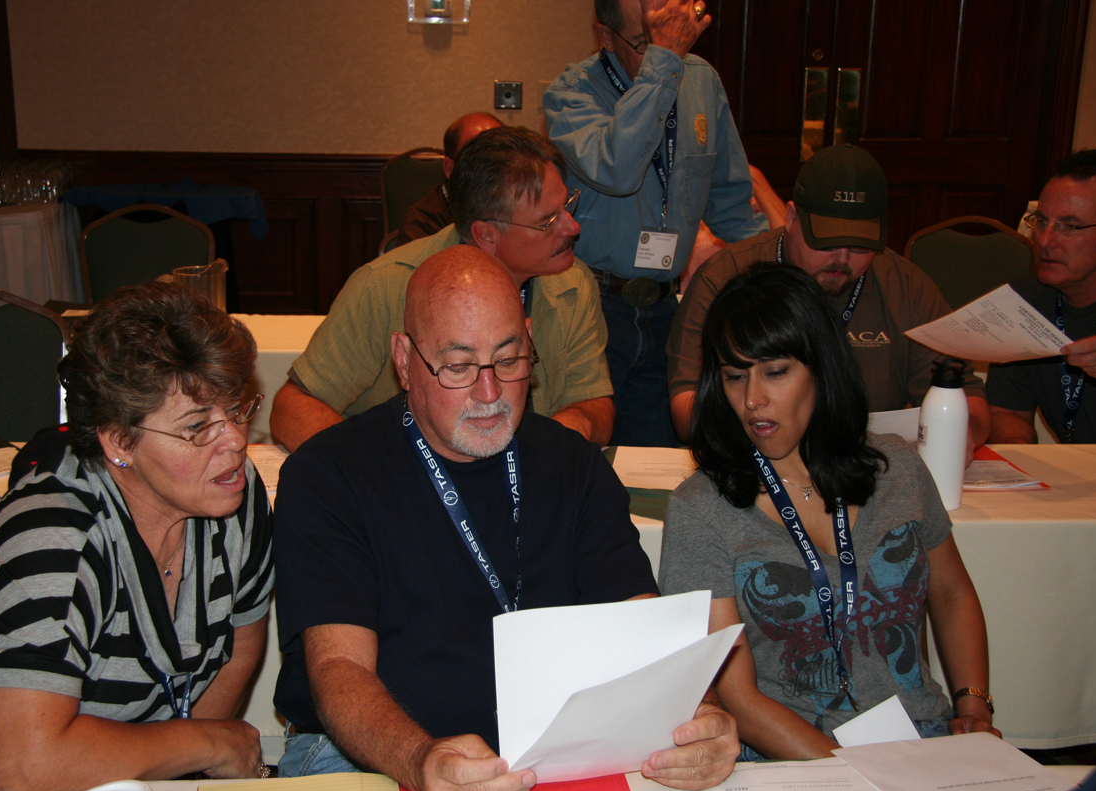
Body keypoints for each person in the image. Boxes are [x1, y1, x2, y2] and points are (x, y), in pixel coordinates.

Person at [272, 246, 738, 791]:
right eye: (459, 366)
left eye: (509, 359)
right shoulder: (330, 473)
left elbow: (641, 626)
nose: (489, 393)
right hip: (375, 755)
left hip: (561, 752)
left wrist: (699, 715)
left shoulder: (573, 465)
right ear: (404, 359)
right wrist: (420, 760)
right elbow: (339, 670)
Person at [0, 282, 274, 791]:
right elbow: (23, 766)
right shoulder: (53, 541)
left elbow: (242, 637)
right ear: (119, 441)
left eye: (236, 409)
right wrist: (206, 744)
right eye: (198, 427)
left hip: (113, 780)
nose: (236, 440)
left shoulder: (233, 493)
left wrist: (191, 766)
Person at [659, 265, 999, 759]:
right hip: (791, 759)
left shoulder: (898, 468)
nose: (753, 399)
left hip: (918, 737)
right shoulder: (701, 509)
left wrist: (973, 707)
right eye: (735, 377)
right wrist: (857, 779)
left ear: (822, 366)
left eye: (776, 372)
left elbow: (951, 593)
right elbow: (740, 700)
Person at [269, 126, 615, 453]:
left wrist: (550, 450)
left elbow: (593, 403)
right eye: (548, 221)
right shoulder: (385, 287)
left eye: (567, 205)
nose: (573, 227)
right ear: (485, 235)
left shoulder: (573, 283)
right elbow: (293, 406)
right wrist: (371, 473)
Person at [668, 143, 991, 454]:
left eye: (861, 245)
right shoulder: (725, 277)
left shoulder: (905, 286)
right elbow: (688, 411)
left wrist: (961, 436)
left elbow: (968, 398)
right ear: (791, 218)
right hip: (752, 463)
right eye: (827, 242)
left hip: (865, 467)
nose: (842, 258)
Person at [544, 0, 767, 448]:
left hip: (666, 308)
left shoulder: (702, 81)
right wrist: (664, 64)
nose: (667, 52)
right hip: (590, 306)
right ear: (605, 38)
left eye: (673, 37)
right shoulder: (571, 93)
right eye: (647, 42)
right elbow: (618, 169)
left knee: (654, 465)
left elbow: (731, 206)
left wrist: (777, 283)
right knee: (585, 462)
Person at [988, 149, 1096, 444]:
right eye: (1041, 221)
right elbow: (1008, 413)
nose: (1045, 240)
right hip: (1071, 470)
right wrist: (1021, 456)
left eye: (1069, 227)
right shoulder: (1022, 302)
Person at [392, 112, 503, 248]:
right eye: (479, 160)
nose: (494, 169)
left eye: (501, 157)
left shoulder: (516, 209)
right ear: (450, 168)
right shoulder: (421, 223)